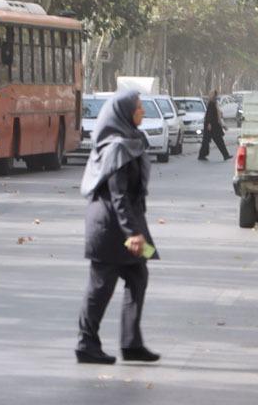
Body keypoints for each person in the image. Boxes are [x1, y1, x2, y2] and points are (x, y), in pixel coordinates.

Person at [76, 89, 161, 366]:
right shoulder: (116, 148)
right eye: (139, 107)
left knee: (139, 275)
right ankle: (86, 343)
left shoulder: (131, 141)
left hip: (125, 225)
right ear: (125, 113)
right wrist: (133, 234)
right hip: (110, 229)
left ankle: (131, 343)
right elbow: (119, 196)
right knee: (101, 286)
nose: (143, 111)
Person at [199, 90, 231, 161]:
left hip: (213, 125)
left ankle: (202, 155)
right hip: (212, 125)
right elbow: (209, 114)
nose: (215, 96)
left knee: (209, 141)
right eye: (215, 95)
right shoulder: (211, 103)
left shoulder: (214, 102)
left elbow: (217, 114)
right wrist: (209, 123)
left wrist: (221, 123)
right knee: (214, 141)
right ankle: (225, 155)